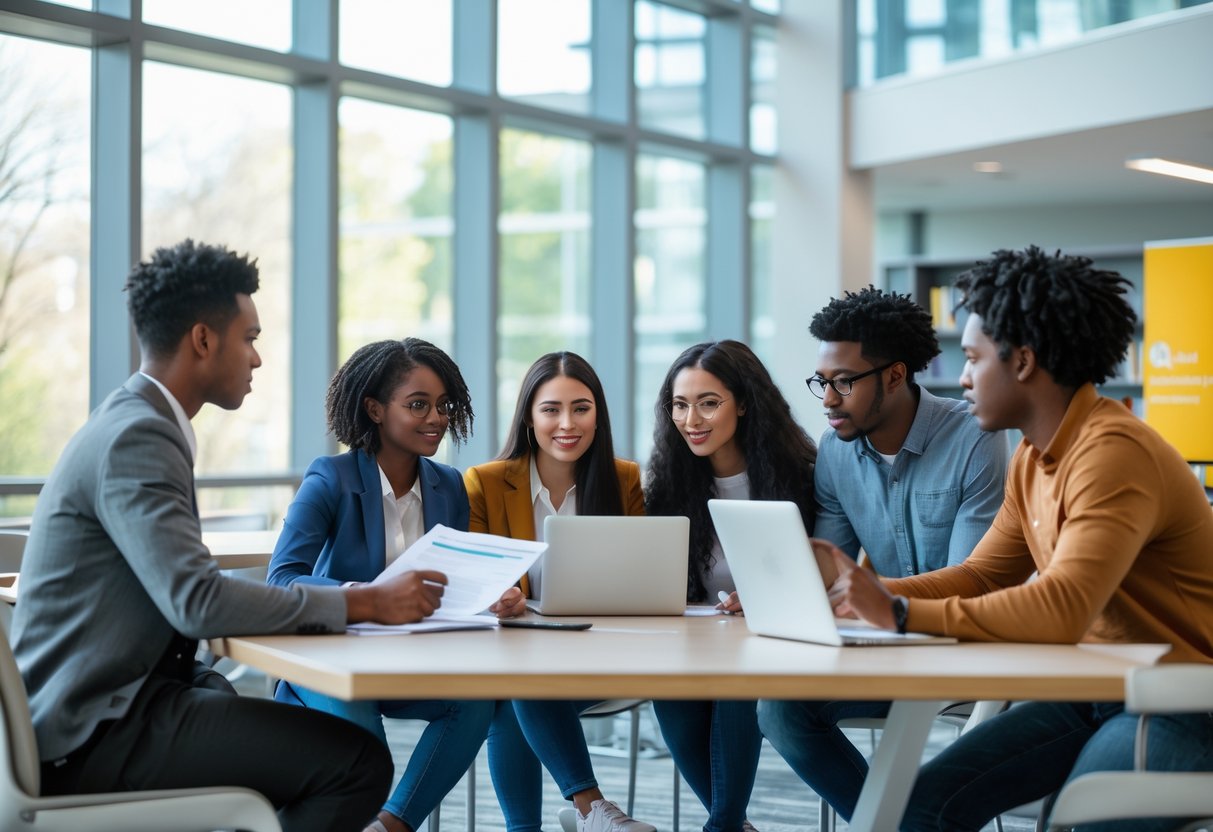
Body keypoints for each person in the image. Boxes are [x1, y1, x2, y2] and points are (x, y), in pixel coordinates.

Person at [11, 240, 451, 832]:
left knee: (264, 722)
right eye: (250, 339)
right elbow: (197, 602)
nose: (257, 359)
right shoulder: (138, 437)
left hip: (120, 700)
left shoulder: (137, 421)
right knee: (355, 762)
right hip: (94, 728)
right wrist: (365, 600)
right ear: (202, 340)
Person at [818, 246, 1213, 832]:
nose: (963, 377)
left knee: (1079, 819)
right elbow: (981, 574)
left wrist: (900, 611)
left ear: (1023, 361)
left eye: (974, 359)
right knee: (922, 809)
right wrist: (863, 597)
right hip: (1104, 687)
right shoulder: (1035, 455)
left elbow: (1062, 606)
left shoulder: (1111, 453)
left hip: (1186, 698)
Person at [756, 286, 1009, 822]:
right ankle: (898, 823)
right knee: (779, 709)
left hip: (964, 647)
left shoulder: (973, 438)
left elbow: (971, 579)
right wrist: (771, 587)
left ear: (894, 375)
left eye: (844, 382)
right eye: (822, 381)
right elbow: (831, 569)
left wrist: (879, 598)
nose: (827, 399)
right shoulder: (836, 452)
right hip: (887, 646)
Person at [267, 337, 515, 832]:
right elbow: (283, 579)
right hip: (333, 661)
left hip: (412, 657)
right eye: (417, 405)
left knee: (475, 701)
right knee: (370, 759)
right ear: (375, 409)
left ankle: (392, 827)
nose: (436, 418)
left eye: (443, 406)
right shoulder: (330, 479)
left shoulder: (448, 485)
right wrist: (367, 597)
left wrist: (491, 594)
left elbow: (455, 580)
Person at [463, 351, 653, 832]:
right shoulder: (484, 483)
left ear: (598, 414)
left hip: (602, 653)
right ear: (529, 416)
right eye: (551, 409)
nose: (567, 423)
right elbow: (474, 578)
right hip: (518, 654)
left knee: (517, 691)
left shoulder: (625, 478)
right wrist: (498, 594)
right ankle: (592, 810)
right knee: (519, 685)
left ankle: (565, 818)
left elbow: (641, 576)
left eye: (581, 408)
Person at [644, 339, 818, 832]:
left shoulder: (803, 476)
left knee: (737, 685)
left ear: (743, 403)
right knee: (668, 692)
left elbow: (823, 569)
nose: (691, 419)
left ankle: (722, 826)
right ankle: (730, 827)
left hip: (777, 641)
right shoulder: (669, 485)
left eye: (708, 403)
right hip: (700, 642)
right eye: (679, 404)